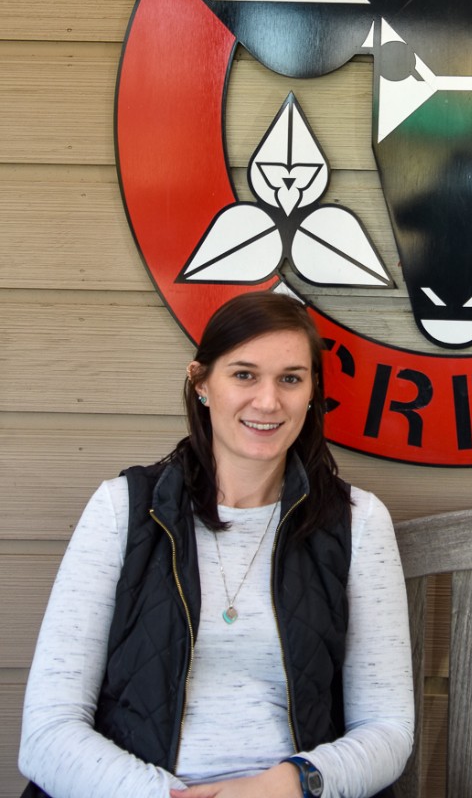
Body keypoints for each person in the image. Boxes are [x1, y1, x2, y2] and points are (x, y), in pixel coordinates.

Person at [19, 292, 414, 798]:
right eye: (244, 374)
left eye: (290, 378)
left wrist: (294, 782)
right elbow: (48, 732)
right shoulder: (122, 510)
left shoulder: (356, 523)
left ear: (313, 392)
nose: (268, 401)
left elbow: (387, 727)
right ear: (202, 382)